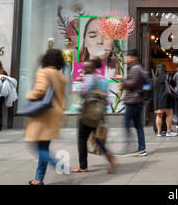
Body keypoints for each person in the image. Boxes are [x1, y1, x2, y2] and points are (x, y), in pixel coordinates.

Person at [25, 49, 67, 185]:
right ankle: (39, 179)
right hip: (54, 116)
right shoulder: (60, 76)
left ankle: (58, 165)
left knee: (34, 146)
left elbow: (39, 91)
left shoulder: (43, 72)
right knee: (43, 147)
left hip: (43, 116)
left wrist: (29, 95)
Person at [72, 58, 117, 173]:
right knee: (98, 138)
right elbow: (107, 100)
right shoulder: (103, 80)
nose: (84, 69)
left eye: (85, 68)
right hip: (99, 114)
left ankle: (83, 166)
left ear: (90, 68)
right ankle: (109, 156)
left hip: (88, 114)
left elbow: (83, 94)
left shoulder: (88, 79)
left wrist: (81, 84)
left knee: (82, 139)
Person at [114, 49, 147, 156]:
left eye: (128, 57)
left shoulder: (136, 69)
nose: (126, 59)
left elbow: (132, 84)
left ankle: (130, 146)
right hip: (136, 100)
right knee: (138, 125)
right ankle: (141, 148)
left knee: (127, 124)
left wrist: (122, 79)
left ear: (134, 58)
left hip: (133, 101)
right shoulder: (136, 68)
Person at [153, 64, 178, 137]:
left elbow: (149, 87)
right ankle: (168, 131)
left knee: (159, 115)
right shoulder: (168, 76)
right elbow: (174, 84)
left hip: (157, 100)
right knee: (169, 115)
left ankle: (159, 132)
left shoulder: (154, 78)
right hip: (167, 98)